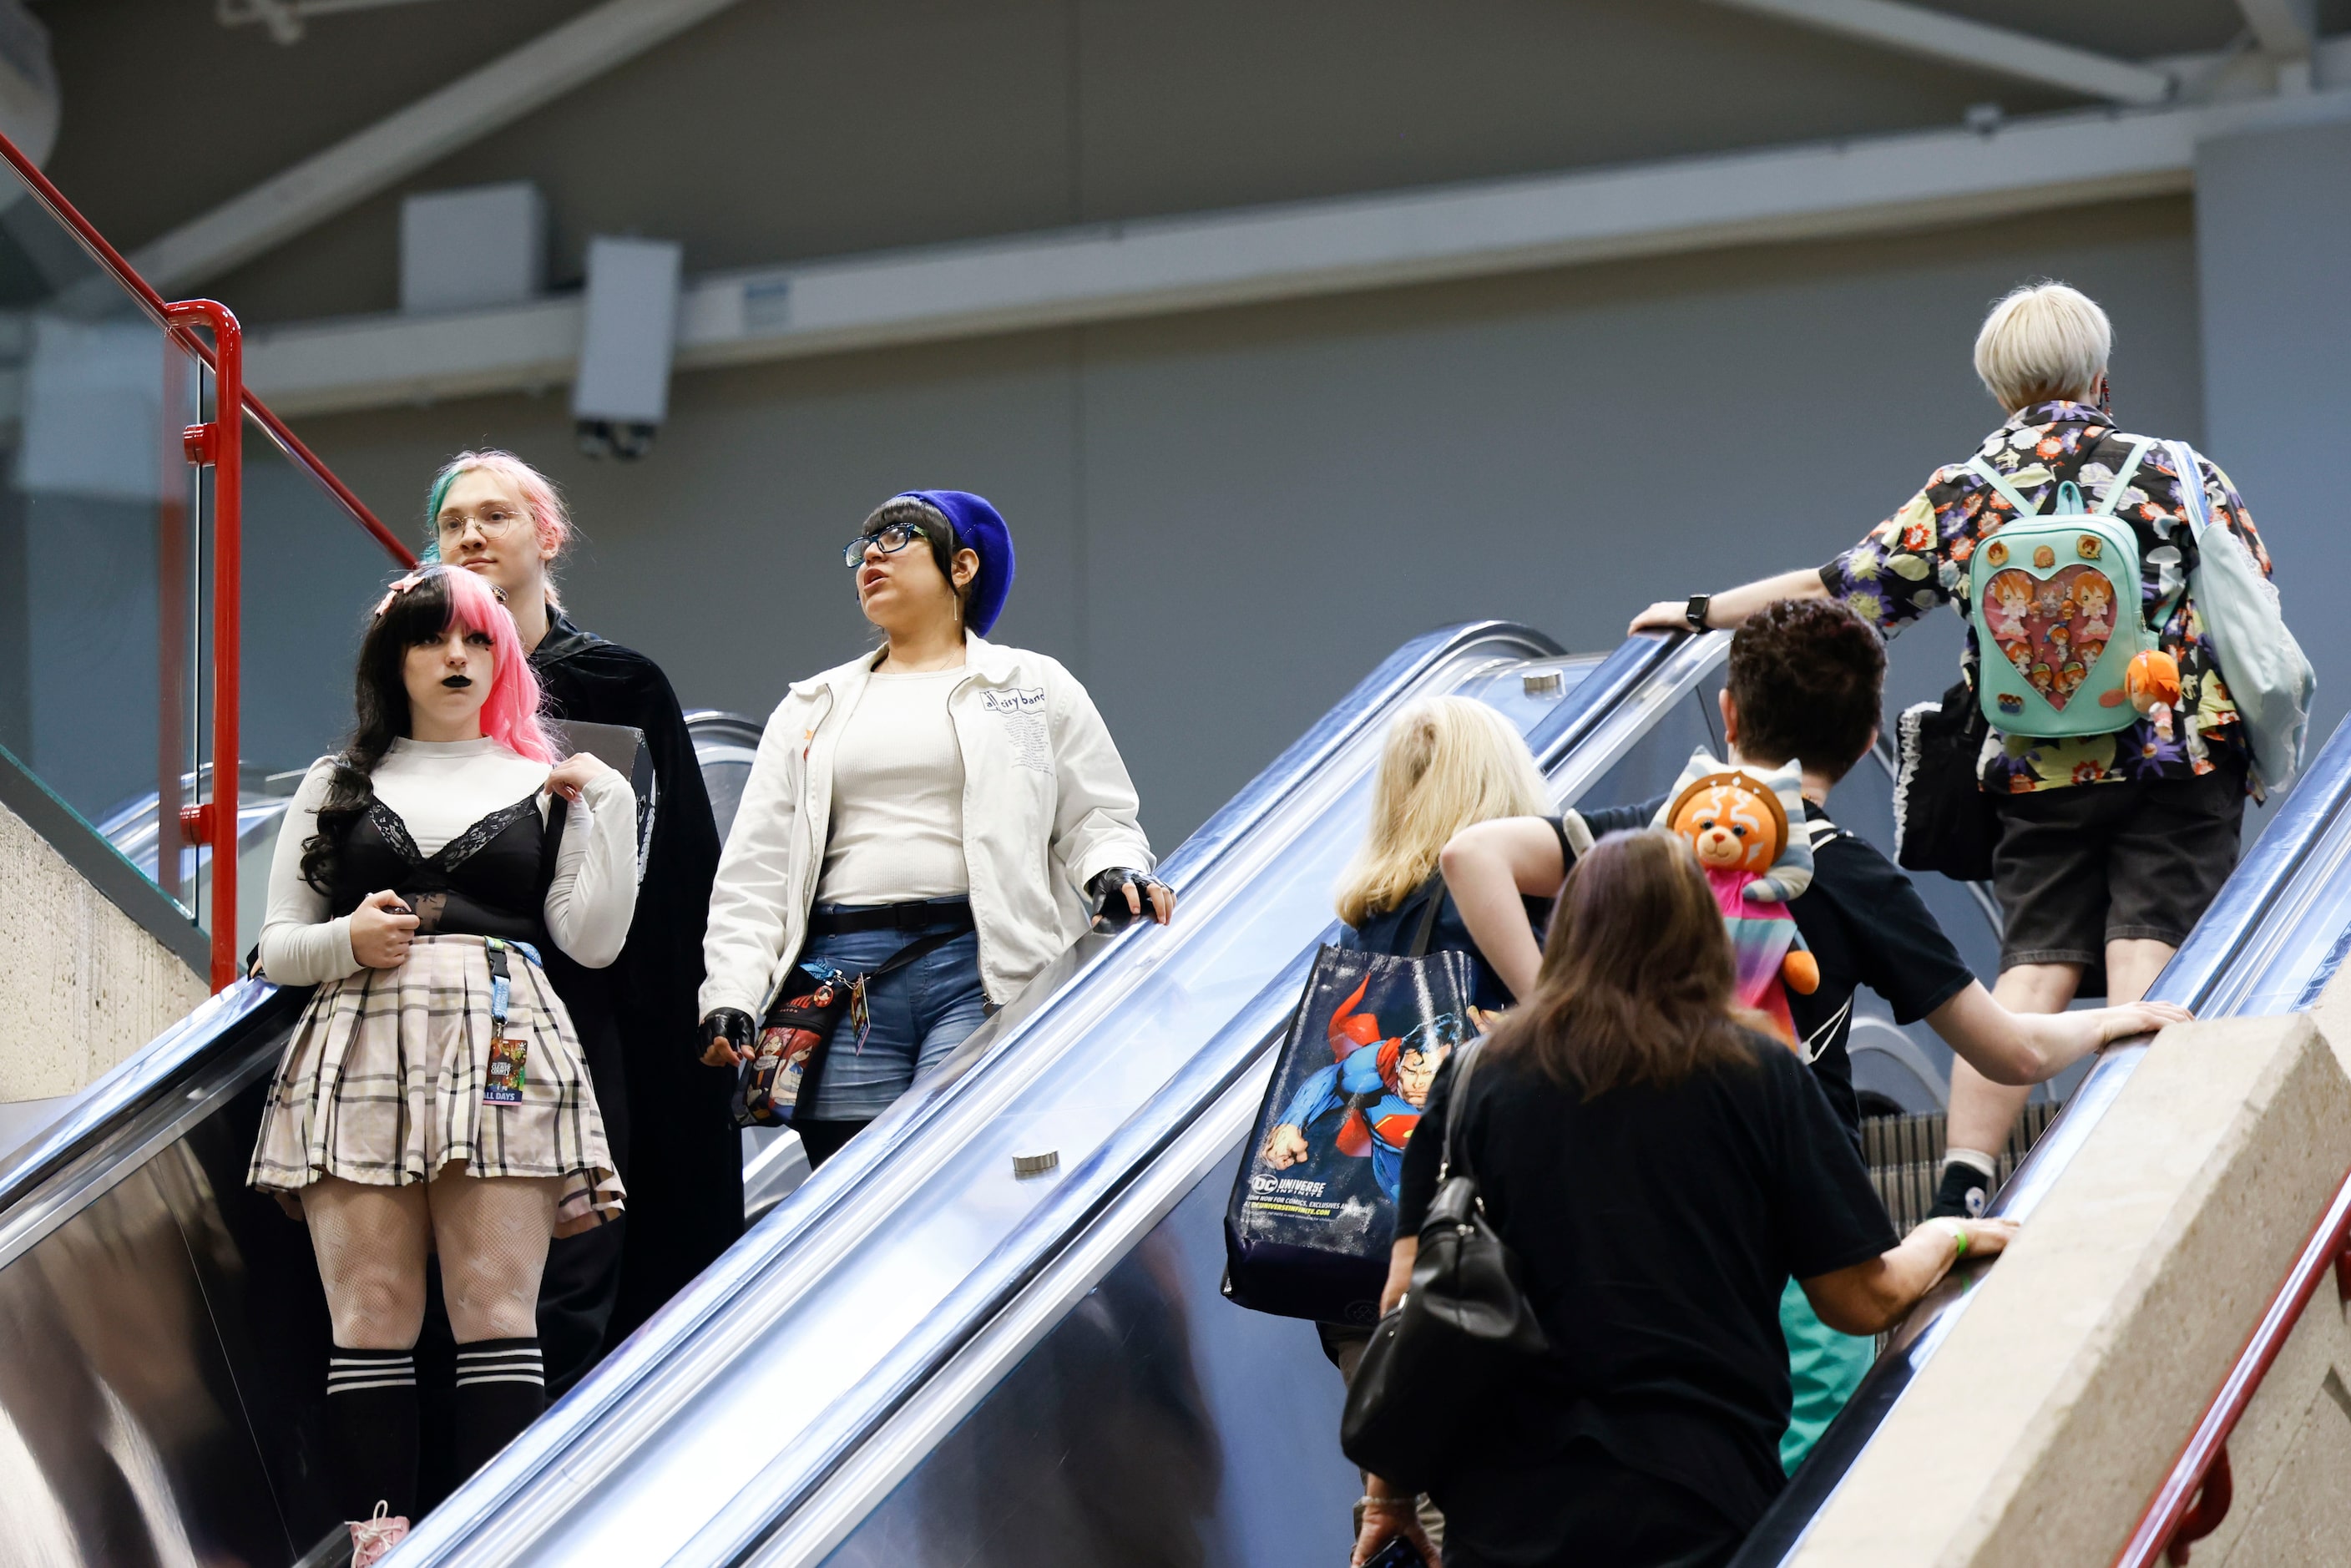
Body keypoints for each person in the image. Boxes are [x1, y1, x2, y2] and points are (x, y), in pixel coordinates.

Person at [1439, 597, 2188, 1474]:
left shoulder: (1649, 838)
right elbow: (2009, 1053)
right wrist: (2111, 1023)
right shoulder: (1851, 874)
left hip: (1616, 1223)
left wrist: (1550, 1008)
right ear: (1866, 729)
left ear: (1726, 709)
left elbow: (1469, 855)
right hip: (1794, 1223)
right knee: (1795, 1489)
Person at [1630, 281, 2271, 1222]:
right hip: (2172, 756)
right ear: (2098, 375)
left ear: (1997, 386)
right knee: (2148, 948)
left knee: (2031, 964)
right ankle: (2131, 1163)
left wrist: (1696, 611)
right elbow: (2249, 600)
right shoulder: (2174, 470)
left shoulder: (1964, 491)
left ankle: (1965, 1179)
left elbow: (1835, 591)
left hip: (2031, 764)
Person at [1358, 831, 2018, 1568]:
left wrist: (1389, 1492)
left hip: (1503, 1504)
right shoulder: (1757, 1072)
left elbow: (1408, 1302)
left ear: (1567, 932)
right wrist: (1949, 1237)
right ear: (1705, 936)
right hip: (1700, 1491)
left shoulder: (1476, 1076)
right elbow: (1858, 1300)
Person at [247, 564, 635, 1562]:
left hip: (502, 1031)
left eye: (476, 636)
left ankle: (497, 1542)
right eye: (431, 638)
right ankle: (381, 1547)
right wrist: (347, 943)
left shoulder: (545, 779)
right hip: (360, 1035)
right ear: (396, 657)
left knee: (495, 1308)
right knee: (371, 1311)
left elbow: (589, 944)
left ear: (504, 652)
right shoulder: (338, 782)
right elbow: (273, 947)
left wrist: (614, 810)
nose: (456, 655)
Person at [698, 491, 1170, 1166]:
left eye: (895, 538)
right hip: (841, 974)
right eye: (862, 548)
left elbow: (1097, 816)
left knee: (956, 1162)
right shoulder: (810, 705)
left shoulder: (1032, 686)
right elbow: (757, 874)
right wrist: (731, 995)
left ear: (963, 565)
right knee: (851, 1186)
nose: (870, 556)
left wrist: (1115, 866)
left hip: (977, 958)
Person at [426, 449, 736, 1387]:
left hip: (611, 1005)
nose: (472, 534)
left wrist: (697, 1009)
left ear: (546, 536)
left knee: (614, 1235)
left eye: (496, 516)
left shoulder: (616, 680)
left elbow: (681, 865)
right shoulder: (429, 686)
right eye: (452, 522)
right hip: (475, 1010)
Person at [1298, 695, 1553, 1565]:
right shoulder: (1511, 906)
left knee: (1397, 1485)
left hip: (1350, 1249)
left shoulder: (1358, 922)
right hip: (1477, 1245)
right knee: (1489, 1500)